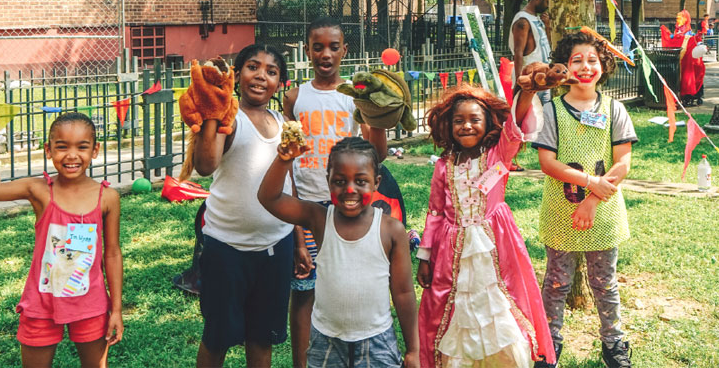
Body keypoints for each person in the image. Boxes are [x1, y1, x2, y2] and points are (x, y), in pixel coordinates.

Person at [0, 112, 123, 367]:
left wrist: (116, 309)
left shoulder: (108, 197)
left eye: (82, 147)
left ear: (95, 150)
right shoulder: (38, 190)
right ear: (48, 150)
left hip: (91, 304)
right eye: (62, 147)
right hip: (41, 303)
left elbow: (112, 253)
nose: (72, 155)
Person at [416, 80, 555, 367]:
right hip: (450, 252)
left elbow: (516, 126)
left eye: (474, 119)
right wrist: (425, 257)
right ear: (447, 126)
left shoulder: (498, 155)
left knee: (500, 303)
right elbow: (435, 212)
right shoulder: (444, 165)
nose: (466, 126)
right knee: (457, 307)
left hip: (497, 245)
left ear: (488, 122)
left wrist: (527, 90)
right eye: (458, 121)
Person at [258, 136, 419, 367]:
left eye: (361, 181)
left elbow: (403, 293)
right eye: (340, 181)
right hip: (326, 339)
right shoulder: (319, 219)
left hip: (377, 340)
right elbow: (268, 198)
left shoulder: (392, 230)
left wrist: (413, 349)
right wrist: (284, 160)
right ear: (328, 181)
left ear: (377, 182)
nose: (350, 189)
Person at [283, 16, 389, 367]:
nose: (325, 54)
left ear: (345, 50)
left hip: (347, 206)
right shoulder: (295, 97)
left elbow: (378, 155)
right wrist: (297, 232)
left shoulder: (353, 96)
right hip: (308, 207)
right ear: (308, 50)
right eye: (317, 47)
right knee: (304, 290)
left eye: (333, 47)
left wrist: (374, 111)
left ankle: (352, 348)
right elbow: (288, 163)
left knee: (346, 282)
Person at [531, 32, 636, 368]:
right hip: (560, 214)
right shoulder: (551, 112)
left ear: (603, 66)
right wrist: (589, 180)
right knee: (557, 283)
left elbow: (623, 162)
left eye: (592, 60)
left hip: (603, 214)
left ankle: (613, 343)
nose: (586, 67)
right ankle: (549, 346)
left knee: (605, 283)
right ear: (564, 66)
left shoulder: (614, 109)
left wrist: (592, 198)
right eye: (577, 60)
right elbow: (547, 163)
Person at [187, 44, 294, 368]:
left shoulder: (283, 123)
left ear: (280, 83)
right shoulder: (228, 120)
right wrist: (212, 116)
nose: (261, 75)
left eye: (271, 71)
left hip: (277, 246)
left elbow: (292, 184)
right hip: (227, 249)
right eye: (252, 66)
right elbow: (205, 165)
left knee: (262, 339)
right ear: (237, 74)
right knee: (217, 337)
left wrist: (300, 241)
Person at [509, 0, 552, 103]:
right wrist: (519, 81)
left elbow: (547, 43)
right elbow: (518, 52)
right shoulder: (522, 21)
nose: (547, 6)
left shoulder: (537, 18)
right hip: (529, 80)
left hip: (544, 78)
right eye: (547, 2)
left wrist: (547, 26)